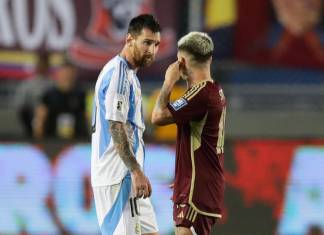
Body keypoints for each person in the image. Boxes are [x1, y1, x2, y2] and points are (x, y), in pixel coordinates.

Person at [91, 14, 161, 235]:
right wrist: (136, 171)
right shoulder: (119, 74)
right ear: (129, 40)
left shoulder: (130, 76)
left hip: (128, 176)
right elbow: (115, 126)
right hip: (117, 177)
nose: (152, 50)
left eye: (156, 44)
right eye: (147, 42)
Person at [152, 32, 227, 235]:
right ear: (209, 58)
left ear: (181, 62)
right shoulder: (215, 90)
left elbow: (158, 116)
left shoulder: (199, 95)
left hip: (197, 186)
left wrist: (169, 82)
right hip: (203, 181)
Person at [33, 61, 88, 140]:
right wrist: (38, 139)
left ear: (74, 75)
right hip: (52, 140)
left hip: (76, 140)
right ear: (58, 75)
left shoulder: (81, 95)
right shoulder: (48, 95)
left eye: (70, 74)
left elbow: (87, 118)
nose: (67, 77)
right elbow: (40, 119)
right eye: (64, 74)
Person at [14, 53, 52, 137]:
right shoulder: (27, 84)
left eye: (44, 64)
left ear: (48, 66)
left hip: (49, 123)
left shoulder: (53, 85)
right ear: (36, 65)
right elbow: (19, 106)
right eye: (40, 64)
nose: (42, 67)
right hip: (29, 121)